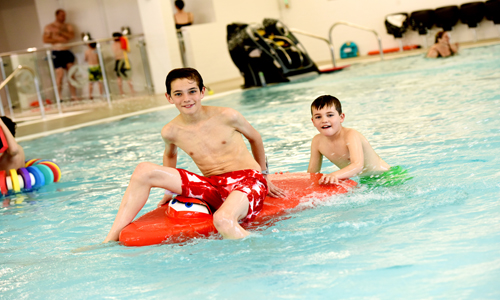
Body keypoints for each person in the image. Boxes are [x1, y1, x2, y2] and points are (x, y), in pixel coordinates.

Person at [103, 68, 285, 243]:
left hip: (248, 180)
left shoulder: (227, 116)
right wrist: (169, 191)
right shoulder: (170, 131)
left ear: (202, 92)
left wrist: (264, 176)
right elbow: (170, 155)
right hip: (212, 186)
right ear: (169, 97)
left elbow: (256, 138)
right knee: (143, 170)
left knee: (223, 221)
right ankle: (111, 238)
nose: (187, 99)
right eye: (178, 94)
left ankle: (263, 250)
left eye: (192, 91)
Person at [307, 95, 409, 187]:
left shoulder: (350, 135)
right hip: (366, 180)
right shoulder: (317, 141)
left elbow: (357, 165)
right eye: (318, 117)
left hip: (387, 176)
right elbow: (312, 174)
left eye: (330, 115)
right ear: (313, 121)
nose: (324, 120)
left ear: (341, 117)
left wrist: (334, 175)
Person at [42, 9, 77, 101]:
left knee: (71, 73)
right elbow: (45, 40)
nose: (63, 17)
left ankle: (74, 95)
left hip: (67, 51)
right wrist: (57, 39)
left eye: (64, 15)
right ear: (57, 15)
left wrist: (61, 32)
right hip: (57, 51)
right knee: (60, 74)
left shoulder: (67, 26)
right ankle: (59, 97)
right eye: (62, 15)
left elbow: (71, 36)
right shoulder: (49, 27)